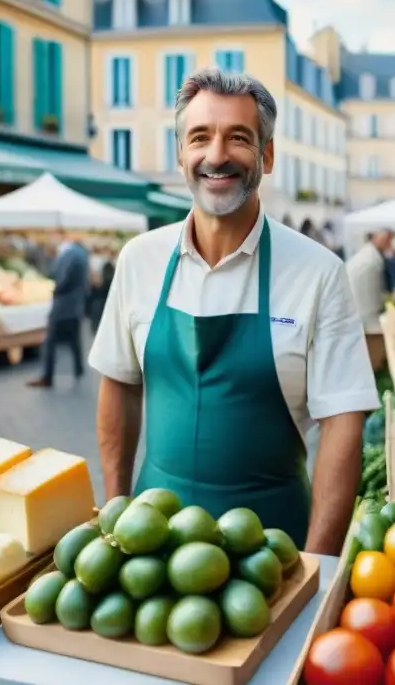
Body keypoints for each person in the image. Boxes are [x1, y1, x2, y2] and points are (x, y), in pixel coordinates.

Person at [89, 68, 378, 554]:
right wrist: (115, 515)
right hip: (149, 544)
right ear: (180, 153)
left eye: (238, 138)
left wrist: (317, 565)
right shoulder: (139, 258)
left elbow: (344, 424)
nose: (216, 155)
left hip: (273, 547)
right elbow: (118, 384)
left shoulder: (320, 272)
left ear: (266, 155)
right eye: (199, 137)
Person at [27, 230, 90, 387]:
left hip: (64, 305)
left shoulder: (70, 255)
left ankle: (47, 376)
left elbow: (60, 278)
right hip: (75, 305)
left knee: (50, 341)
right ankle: (78, 369)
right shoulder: (80, 254)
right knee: (74, 341)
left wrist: (55, 289)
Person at [346, 230, 393, 331]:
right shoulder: (370, 261)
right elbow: (373, 303)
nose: (390, 242)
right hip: (368, 318)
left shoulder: (366, 256)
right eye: (387, 237)